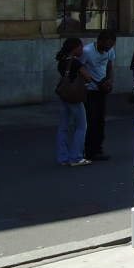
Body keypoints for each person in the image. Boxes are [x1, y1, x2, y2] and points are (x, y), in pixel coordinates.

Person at [54, 37, 93, 167]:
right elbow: (88, 78)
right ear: (75, 48)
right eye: (80, 47)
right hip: (75, 96)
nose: (82, 49)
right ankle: (76, 156)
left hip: (64, 95)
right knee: (81, 126)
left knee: (63, 127)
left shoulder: (61, 62)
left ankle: (63, 157)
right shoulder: (76, 63)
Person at [81, 30, 116, 161]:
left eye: (111, 45)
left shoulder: (109, 52)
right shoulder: (87, 51)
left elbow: (110, 67)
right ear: (99, 41)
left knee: (100, 121)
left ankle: (98, 149)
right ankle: (89, 150)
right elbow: (80, 67)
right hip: (90, 90)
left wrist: (109, 80)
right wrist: (91, 80)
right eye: (106, 45)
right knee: (91, 120)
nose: (108, 48)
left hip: (102, 89)